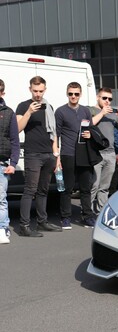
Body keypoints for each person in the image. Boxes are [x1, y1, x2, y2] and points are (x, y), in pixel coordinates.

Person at [16, 76, 62, 237]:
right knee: (30, 190)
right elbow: (18, 128)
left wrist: (56, 155)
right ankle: (24, 226)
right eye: (35, 91)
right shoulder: (23, 106)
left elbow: (54, 133)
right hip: (33, 154)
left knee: (43, 190)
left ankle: (42, 222)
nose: (38, 94)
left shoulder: (49, 107)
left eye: (40, 91)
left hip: (48, 154)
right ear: (30, 89)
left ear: (45, 90)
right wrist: (29, 112)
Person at [55, 82, 98, 228]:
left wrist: (89, 134)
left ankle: (87, 216)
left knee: (85, 188)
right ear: (67, 94)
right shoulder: (60, 111)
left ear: (80, 94)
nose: (73, 96)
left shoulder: (85, 111)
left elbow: (91, 129)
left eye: (76, 94)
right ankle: (65, 217)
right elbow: (56, 134)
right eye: (71, 93)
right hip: (68, 154)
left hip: (84, 154)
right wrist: (57, 156)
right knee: (67, 188)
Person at [90, 87, 118, 214]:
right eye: (104, 98)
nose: (107, 101)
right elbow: (89, 124)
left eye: (110, 99)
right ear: (97, 97)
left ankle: (101, 211)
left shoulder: (113, 113)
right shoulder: (90, 110)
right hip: (96, 153)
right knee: (93, 185)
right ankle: (88, 211)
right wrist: (102, 113)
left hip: (110, 153)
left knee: (105, 187)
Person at [0, 79, 20, 243]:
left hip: (2, 163)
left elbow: (14, 140)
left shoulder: (9, 113)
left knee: (0, 199)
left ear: (2, 93)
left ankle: (2, 228)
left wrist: (13, 164)